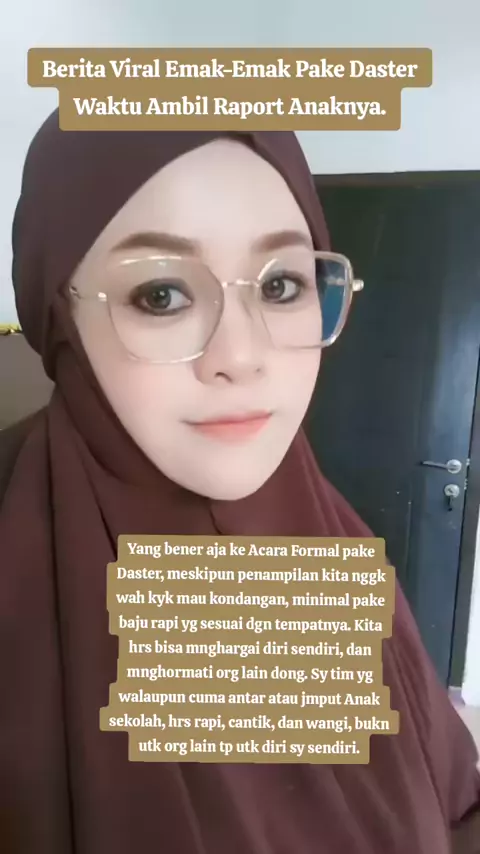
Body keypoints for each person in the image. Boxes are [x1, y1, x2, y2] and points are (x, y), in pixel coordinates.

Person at [0, 113, 479, 854]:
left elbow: (449, 800)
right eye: (161, 294)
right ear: (60, 314)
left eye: (281, 284)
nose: (242, 354)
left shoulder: (333, 542)